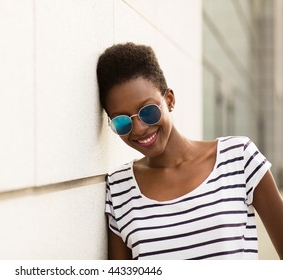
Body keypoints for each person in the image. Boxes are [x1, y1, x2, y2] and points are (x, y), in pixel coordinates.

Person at [96, 42, 283, 260]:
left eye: (148, 111)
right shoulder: (119, 189)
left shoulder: (239, 158)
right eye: (122, 122)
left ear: (169, 100)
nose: (139, 129)